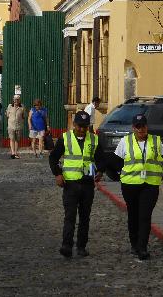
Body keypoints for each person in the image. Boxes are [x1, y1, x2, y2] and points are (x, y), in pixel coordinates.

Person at [49, 110, 105, 258]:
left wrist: (100, 171)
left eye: (85, 127)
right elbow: (53, 158)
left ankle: (81, 246)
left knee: (85, 217)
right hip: (70, 184)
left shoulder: (94, 139)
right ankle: (66, 245)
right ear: (74, 125)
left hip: (87, 184)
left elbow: (101, 159)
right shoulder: (65, 138)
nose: (82, 130)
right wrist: (58, 174)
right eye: (79, 126)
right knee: (70, 216)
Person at [111, 113, 163, 260]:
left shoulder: (156, 141)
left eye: (143, 126)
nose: (141, 129)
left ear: (147, 126)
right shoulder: (125, 141)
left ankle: (142, 247)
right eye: (138, 126)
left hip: (150, 184)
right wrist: (121, 176)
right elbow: (116, 161)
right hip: (130, 185)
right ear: (133, 128)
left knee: (145, 216)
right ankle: (134, 243)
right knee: (133, 215)